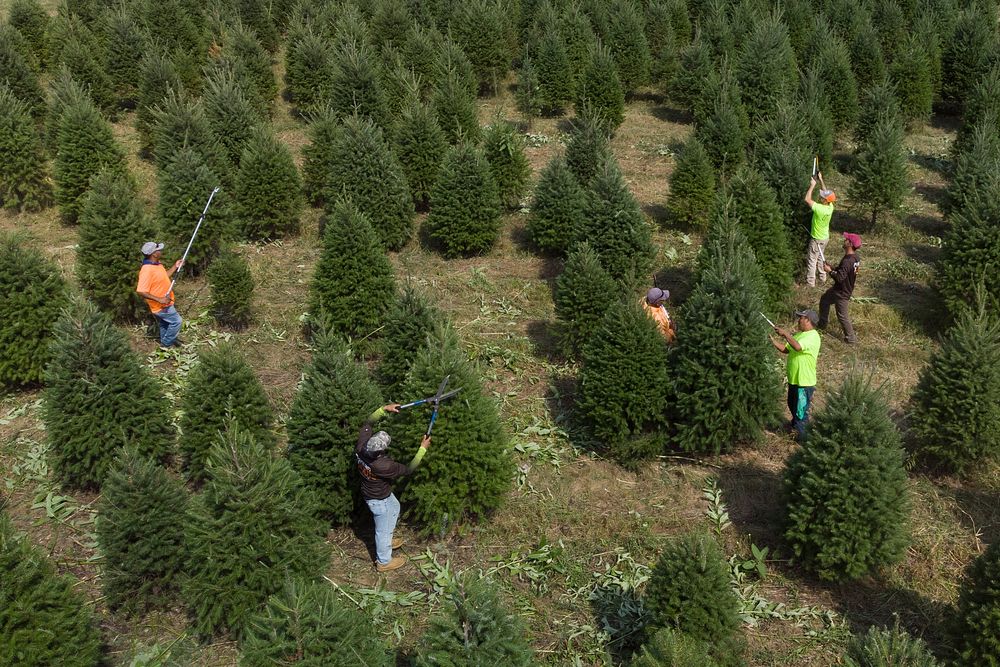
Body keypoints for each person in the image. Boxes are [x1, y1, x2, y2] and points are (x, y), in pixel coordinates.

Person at [355, 403, 432, 572]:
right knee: (382, 530)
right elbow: (409, 468)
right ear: (380, 451)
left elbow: (368, 422)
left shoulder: (362, 446)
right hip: (377, 500)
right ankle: (383, 562)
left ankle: (387, 542)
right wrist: (422, 449)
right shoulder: (383, 465)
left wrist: (383, 409)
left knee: (395, 506)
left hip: (375, 493)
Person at [770, 309, 822, 440]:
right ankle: (794, 429)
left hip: (804, 382)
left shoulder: (813, 336)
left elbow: (798, 347)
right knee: (792, 405)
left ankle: (803, 442)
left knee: (800, 412)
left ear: (808, 320)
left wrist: (786, 334)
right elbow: (786, 349)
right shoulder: (799, 335)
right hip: (794, 380)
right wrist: (772, 341)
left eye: (801, 318)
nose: (799, 320)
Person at [136, 241, 184, 348]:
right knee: (177, 322)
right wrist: (159, 299)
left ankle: (166, 340)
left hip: (166, 301)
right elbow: (141, 290)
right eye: (158, 250)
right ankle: (166, 344)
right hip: (160, 305)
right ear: (154, 254)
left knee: (164, 323)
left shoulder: (157, 264)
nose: (161, 251)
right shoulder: (147, 270)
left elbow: (164, 276)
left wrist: (175, 266)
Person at [820, 232, 862, 344]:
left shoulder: (847, 261)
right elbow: (847, 272)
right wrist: (832, 267)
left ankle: (851, 339)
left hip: (841, 292)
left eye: (846, 239)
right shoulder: (855, 258)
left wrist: (830, 271)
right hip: (840, 289)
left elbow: (840, 278)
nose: (844, 240)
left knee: (842, 316)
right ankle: (822, 325)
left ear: (850, 244)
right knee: (824, 300)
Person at [803, 173, 836, 287]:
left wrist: (812, 185)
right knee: (820, 257)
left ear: (825, 200)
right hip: (825, 238)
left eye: (822, 197)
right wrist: (821, 179)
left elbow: (807, 199)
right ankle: (823, 278)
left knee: (812, 260)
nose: (820, 197)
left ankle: (810, 283)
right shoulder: (830, 207)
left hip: (817, 239)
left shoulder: (819, 208)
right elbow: (825, 191)